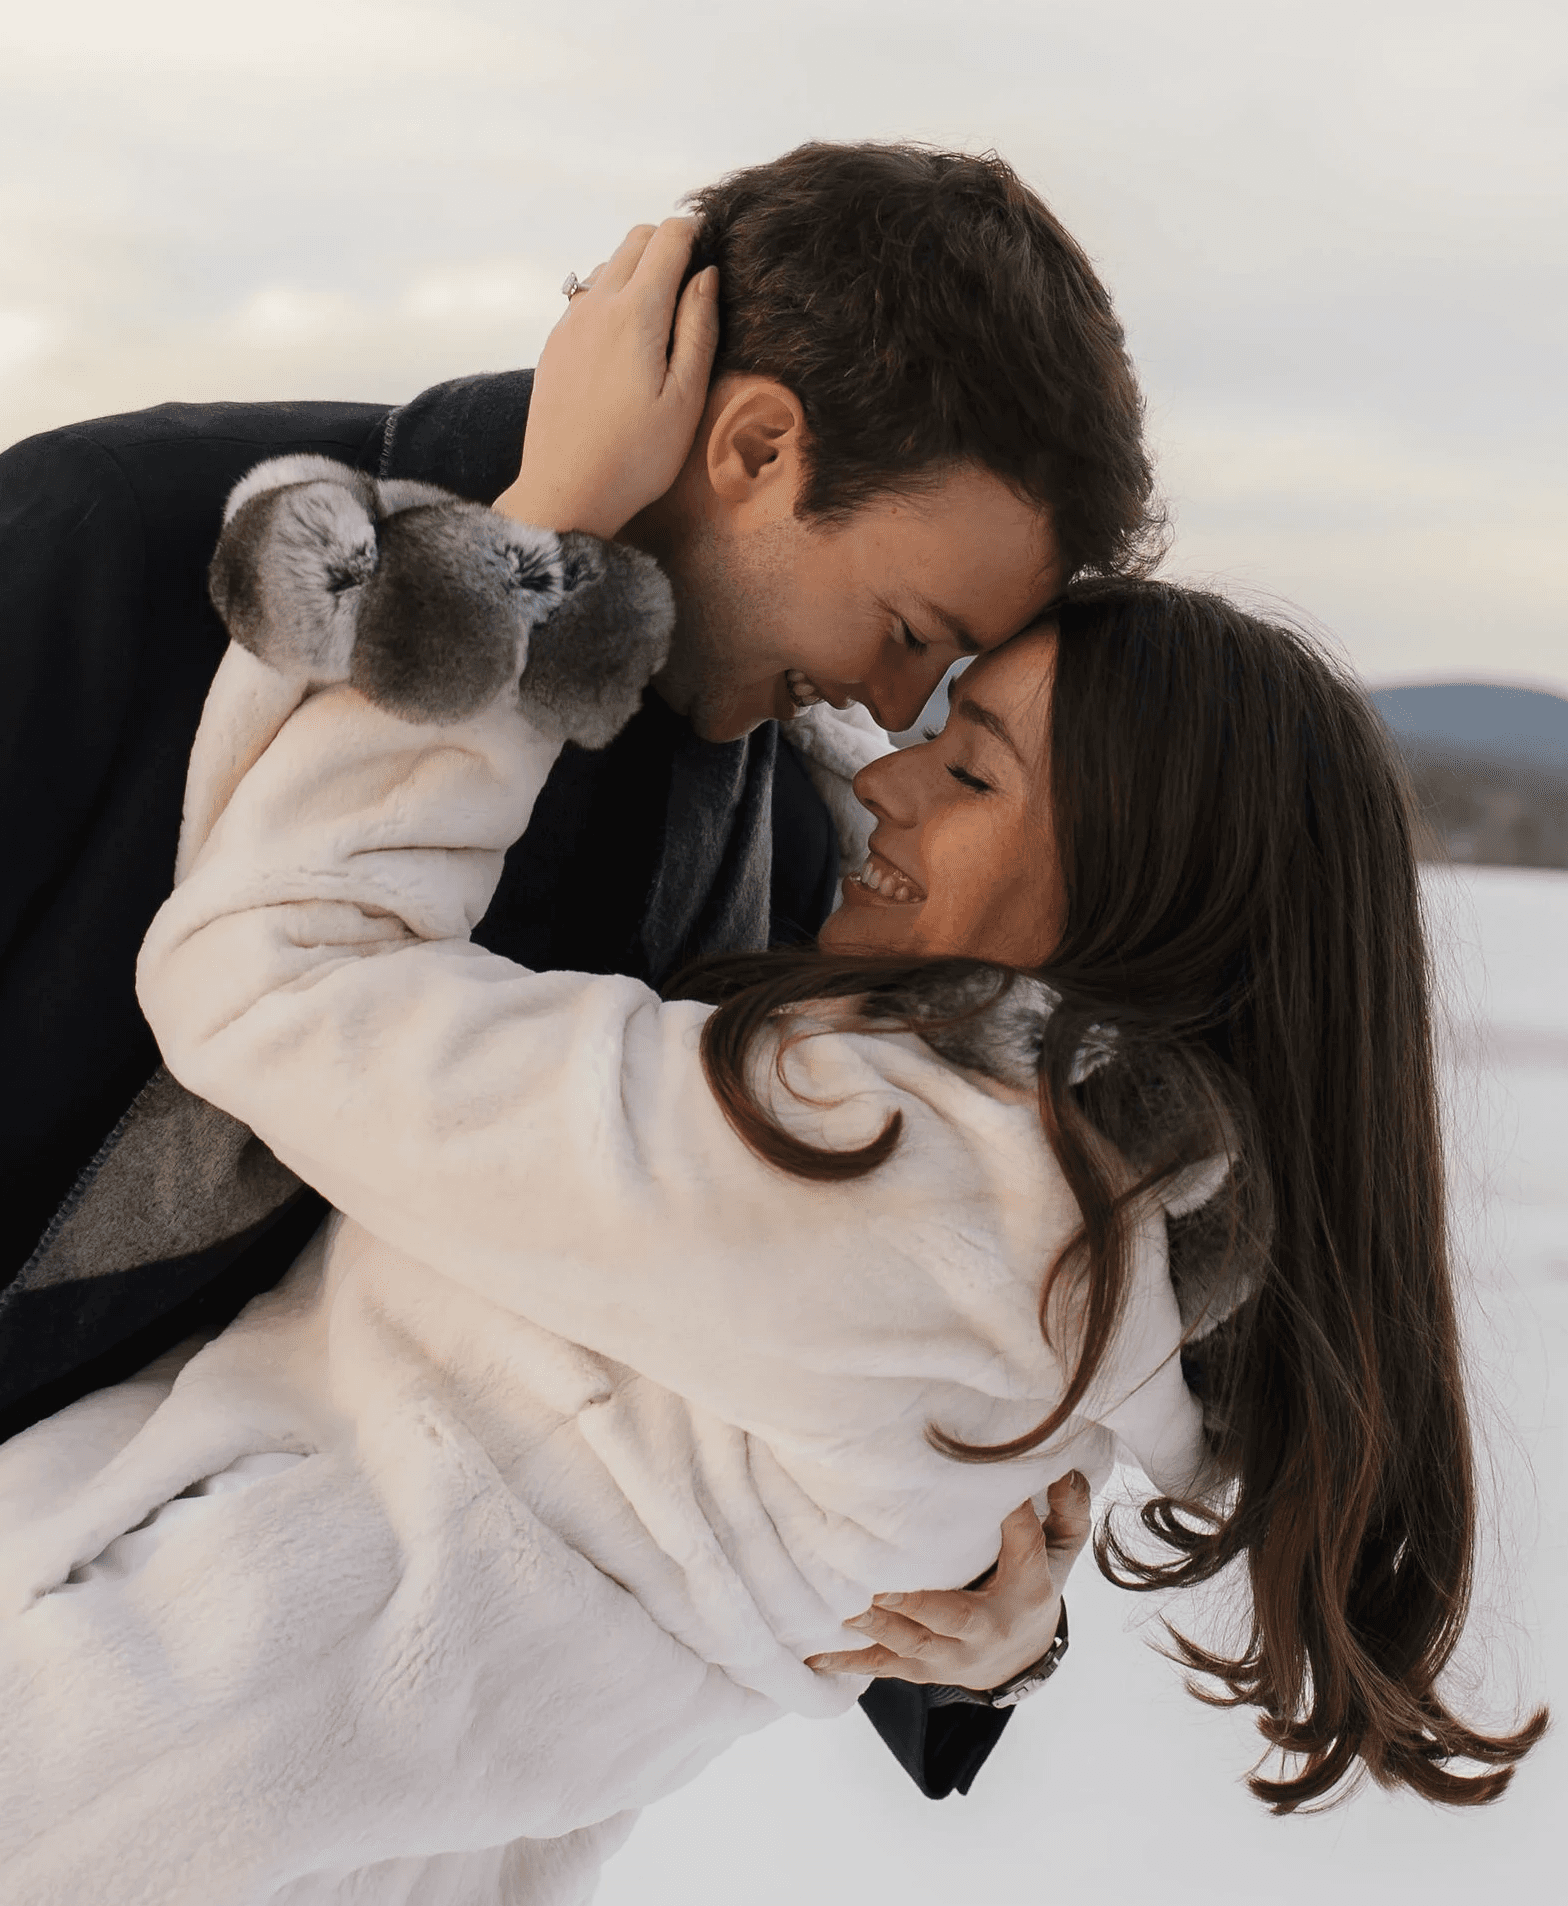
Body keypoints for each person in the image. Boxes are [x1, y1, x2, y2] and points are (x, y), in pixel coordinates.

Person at [0, 393, 1543, 1903]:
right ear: (755, 444)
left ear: (1133, 899)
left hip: (136, 1739)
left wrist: (508, 577)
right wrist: (999, 1620)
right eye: (914, 662)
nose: (880, 748)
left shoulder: (912, 1159)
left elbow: (281, 985)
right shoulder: (1047, 1203)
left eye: (972, 760)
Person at [0, 141, 1160, 1793]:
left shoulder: (787, 869)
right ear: (758, 445)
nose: (894, 709)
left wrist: (987, 1627)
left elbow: (793, 1364)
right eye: (907, 628)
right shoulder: (122, 536)